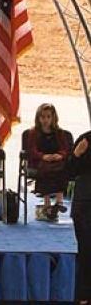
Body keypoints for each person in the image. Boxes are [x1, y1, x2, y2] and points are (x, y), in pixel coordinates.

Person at [27, 103, 71, 221]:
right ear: (38, 118)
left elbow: (66, 149)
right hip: (40, 161)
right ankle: (46, 203)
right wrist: (43, 156)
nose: (45, 120)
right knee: (45, 168)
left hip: (56, 160)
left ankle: (59, 201)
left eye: (48, 117)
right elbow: (31, 150)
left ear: (53, 118)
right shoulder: (33, 133)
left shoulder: (60, 133)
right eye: (43, 117)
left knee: (61, 168)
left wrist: (59, 155)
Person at [68, 130, 91, 304]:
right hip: (85, 201)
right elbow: (69, 171)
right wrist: (76, 155)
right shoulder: (85, 139)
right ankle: (84, 295)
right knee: (85, 250)